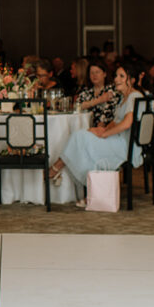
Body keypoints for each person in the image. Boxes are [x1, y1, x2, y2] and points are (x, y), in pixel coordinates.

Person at [49, 63, 144, 206]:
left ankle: (55, 168)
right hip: (118, 139)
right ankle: (94, 192)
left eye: (121, 76)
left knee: (80, 138)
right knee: (82, 136)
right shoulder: (123, 97)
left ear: (132, 80)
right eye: (116, 75)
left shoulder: (134, 96)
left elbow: (126, 124)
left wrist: (105, 135)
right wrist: (103, 130)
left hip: (126, 145)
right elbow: (115, 121)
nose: (116, 79)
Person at [75, 61, 121, 127]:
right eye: (92, 73)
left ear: (104, 74)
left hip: (105, 128)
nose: (94, 75)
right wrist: (99, 100)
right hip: (85, 125)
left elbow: (108, 113)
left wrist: (88, 104)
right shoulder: (86, 90)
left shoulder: (111, 90)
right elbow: (77, 107)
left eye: (97, 72)